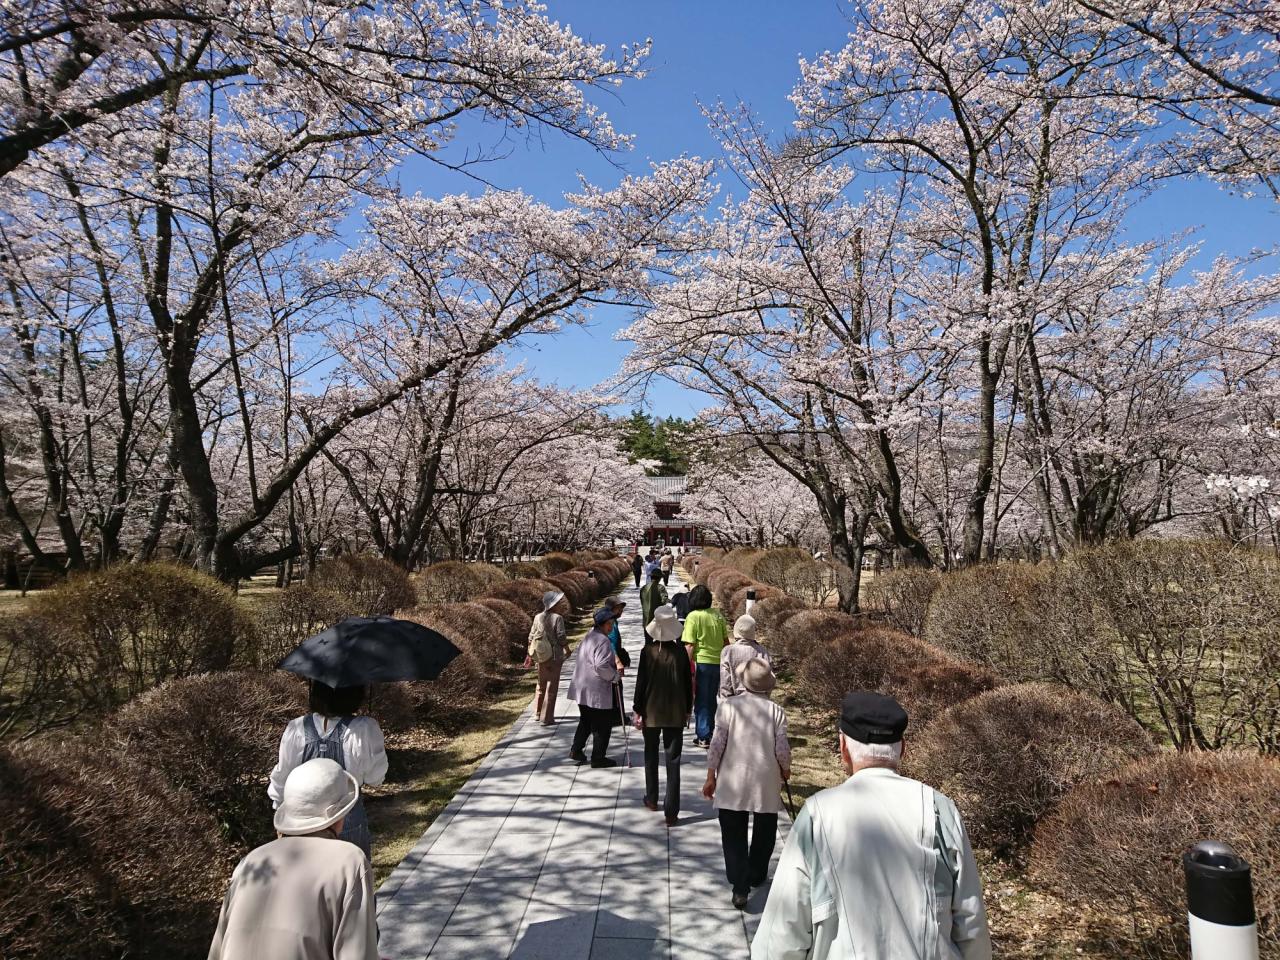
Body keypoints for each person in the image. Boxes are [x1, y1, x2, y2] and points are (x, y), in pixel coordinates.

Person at [751, 692, 992, 960]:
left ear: (843, 748)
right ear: (903, 747)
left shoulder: (817, 814)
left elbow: (782, 932)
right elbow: (971, 924)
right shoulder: (939, 809)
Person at [210, 758, 377, 960]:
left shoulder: (251, 861)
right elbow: (357, 953)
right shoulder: (348, 861)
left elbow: (218, 949)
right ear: (339, 815)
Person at [701, 658, 790, 910]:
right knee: (765, 828)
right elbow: (781, 747)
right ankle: (757, 872)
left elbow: (717, 744)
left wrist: (710, 776)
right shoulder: (776, 711)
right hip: (765, 777)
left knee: (733, 832)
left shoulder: (729, 707)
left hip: (733, 777)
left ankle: (740, 886)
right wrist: (786, 768)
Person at [268, 682, 387, 859]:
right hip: (347, 821)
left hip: (300, 825)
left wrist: (280, 816)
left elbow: (282, 778)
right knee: (350, 877)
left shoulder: (296, 728)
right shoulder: (363, 728)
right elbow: (376, 778)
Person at [632, 604, 693, 826]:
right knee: (673, 760)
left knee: (650, 754)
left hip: (651, 710)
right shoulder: (681, 653)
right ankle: (672, 810)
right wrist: (688, 709)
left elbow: (641, 684)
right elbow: (688, 684)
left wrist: (637, 709)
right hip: (676, 711)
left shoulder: (647, 652)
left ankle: (651, 797)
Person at [568, 606, 623, 768]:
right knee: (602, 725)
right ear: (604, 624)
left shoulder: (589, 636)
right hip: (594, 689)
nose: (612, 626)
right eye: (610, 623)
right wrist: (614, 677)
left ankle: (576, 750)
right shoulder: (603, 641)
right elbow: (601, 666)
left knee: (586, 720)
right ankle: (598, 757)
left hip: (582, 687)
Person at [682, 584, 728, 747]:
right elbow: (726, 641)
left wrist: (686, 667)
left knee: (701, 700)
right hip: (718, 662)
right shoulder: (718, 615)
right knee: (712, 700)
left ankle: (703, 735)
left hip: (702, 662)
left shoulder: (693, 617)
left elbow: (689, 645)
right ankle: (711, 731)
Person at [528, 589, 569, 725]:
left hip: (540, 655)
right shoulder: (557, 618)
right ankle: (547, 717)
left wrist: (530, 653)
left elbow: (531, 636)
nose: (560, 604)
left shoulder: (537, 617)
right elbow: (561, 636)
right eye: (559, 602)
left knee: (540, 684)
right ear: (553, 604)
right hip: (555, 656)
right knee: (552, 686)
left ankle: (537, 712)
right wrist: (567, 649)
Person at [719, 614, 772, 698]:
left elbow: (725, 681)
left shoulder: (728, 651)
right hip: (759, 700)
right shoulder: (763, 651)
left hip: (733, 700)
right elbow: (768, 679)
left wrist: (724, 700)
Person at [639, 566, 669, 644]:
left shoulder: (643, 588)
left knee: (648, 643)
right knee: (659, 643)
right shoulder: (660, 588)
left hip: (646, 620)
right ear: (659, 578)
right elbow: (664, 600)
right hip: (657, 620)